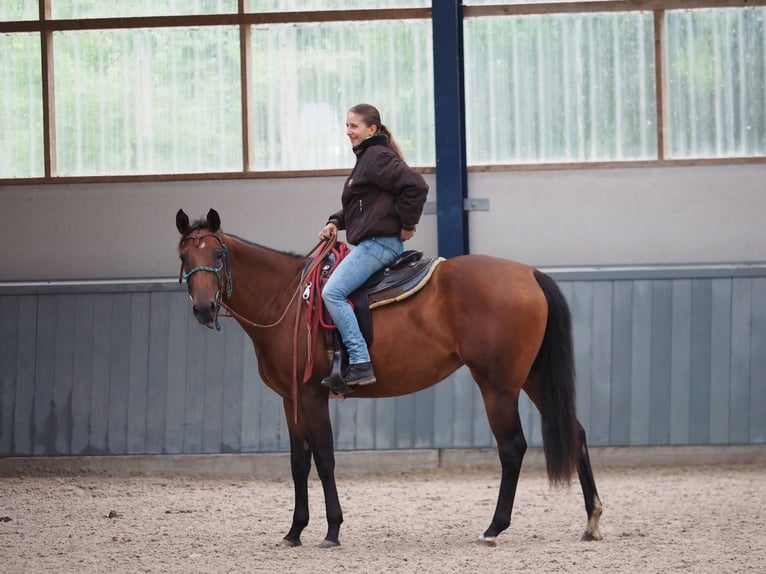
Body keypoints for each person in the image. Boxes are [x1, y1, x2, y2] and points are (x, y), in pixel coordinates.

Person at [319, 103, 429, 388]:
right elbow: (363, 208)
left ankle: (359, 360)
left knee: (332, 292)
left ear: (372, 129)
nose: (348, 132)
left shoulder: (375, 156)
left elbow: (416, 186)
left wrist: (408, 224)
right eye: (346, 126)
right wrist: (335, 221)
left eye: (353, 126)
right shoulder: (367, 157)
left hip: (379, 245)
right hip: (372, 243)